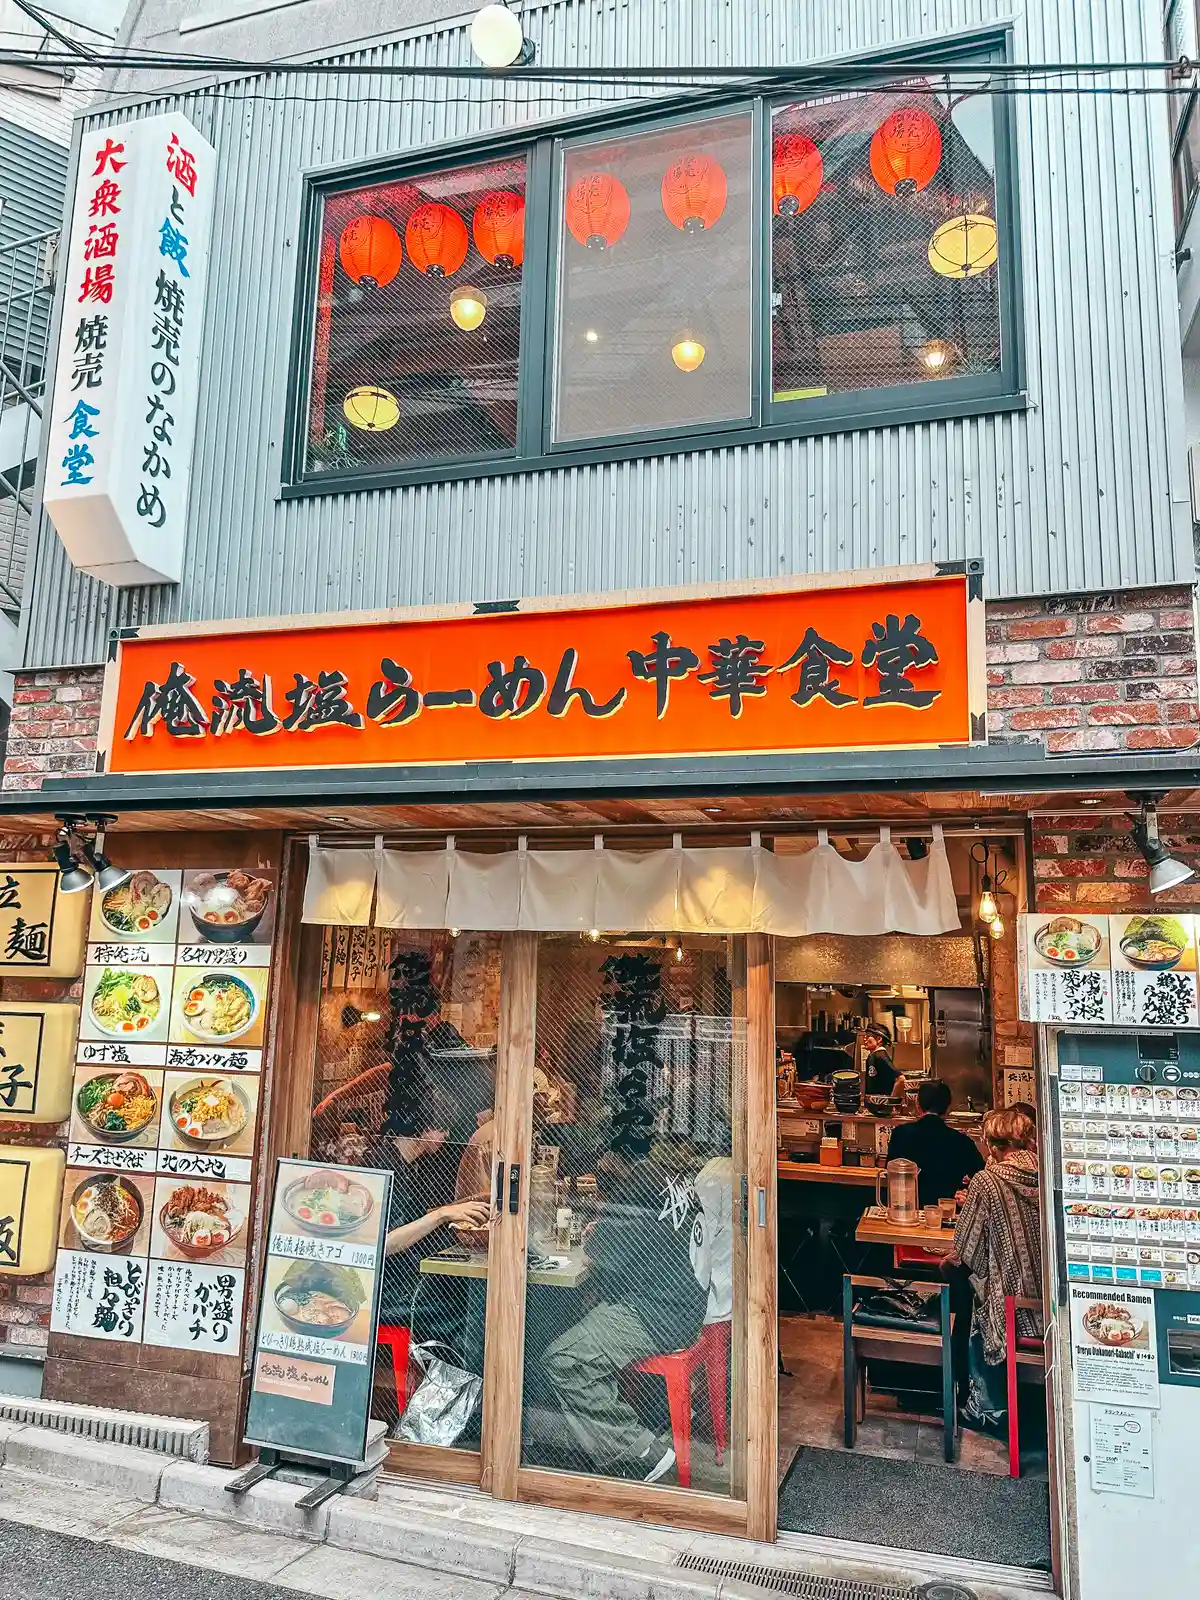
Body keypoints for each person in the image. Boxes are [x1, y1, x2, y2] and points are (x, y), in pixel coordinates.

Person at [539, 1151, 709, 1483]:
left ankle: (641, 1452)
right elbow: (639, 1242)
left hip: (657, 1315)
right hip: (685, 1307)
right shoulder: (667, 1177)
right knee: (577, 1327)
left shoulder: (638, 1184)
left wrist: (595, 1233)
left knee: (563, 1359)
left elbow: (602, 1251)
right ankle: (597, 1449)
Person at [942, 1106, 1042, 1435]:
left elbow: (966, 1253)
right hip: (1051, 1309)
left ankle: (988, 1406)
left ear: (989, 1142)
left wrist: (947, 1263)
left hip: (1014, 1313)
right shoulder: (1047, 1171)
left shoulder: (987, 1181)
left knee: (978, 1296)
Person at [886, 1079, 985, 1206]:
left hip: (907, 1211)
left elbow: (890, 1170)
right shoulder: (962, 1142)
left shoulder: (900, 1134)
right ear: (948, 1107)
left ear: (918, 1105)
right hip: (944, 1214)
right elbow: (981, 1176)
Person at [862, 1023, 899, 1097]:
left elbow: (900, 1079)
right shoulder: (872, 1056)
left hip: (881, 1105)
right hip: (874, 1104)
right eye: (865, 1035)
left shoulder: (880, 1056)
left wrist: (891, 1100)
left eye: (868, 1036)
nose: (865, 1038)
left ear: (879, 1039)